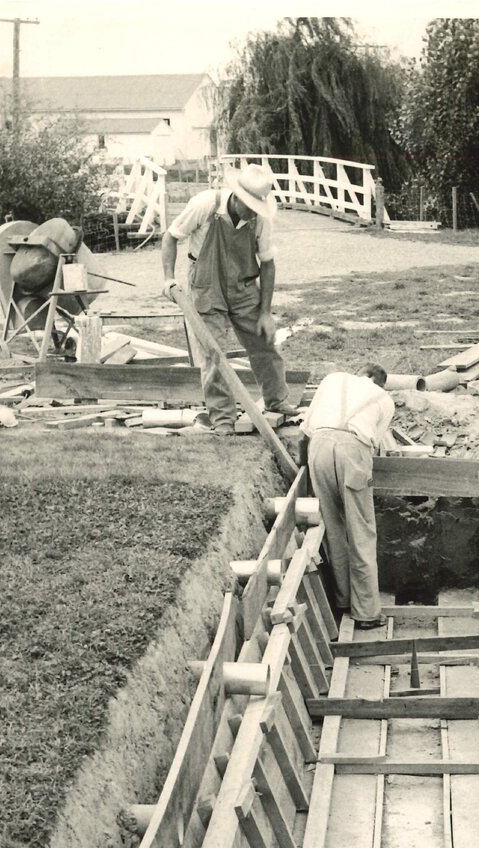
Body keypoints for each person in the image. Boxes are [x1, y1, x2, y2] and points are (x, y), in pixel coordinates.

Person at [161, 165, 297, 435]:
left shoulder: (260, 220)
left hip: (244, 285)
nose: (252, 211)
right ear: (236, 196)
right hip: (206, 283)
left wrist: (265, 312)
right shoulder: (205, 205)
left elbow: (267, 264)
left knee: (264, 342)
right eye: (249, 205)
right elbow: (170, 237)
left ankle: (277, 399)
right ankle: (223, 419)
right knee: (213, 352)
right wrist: (168, 279)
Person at [302, 363, 397, 630]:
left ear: (361, 374)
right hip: (353, 451)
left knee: (333, 528)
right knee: (361, 532)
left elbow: (306, 428)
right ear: (380, 384)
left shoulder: (332, 379)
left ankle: (343, 601)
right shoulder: (384, 399)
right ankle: (366, 613)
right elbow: (373, 444)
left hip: (318, 447)